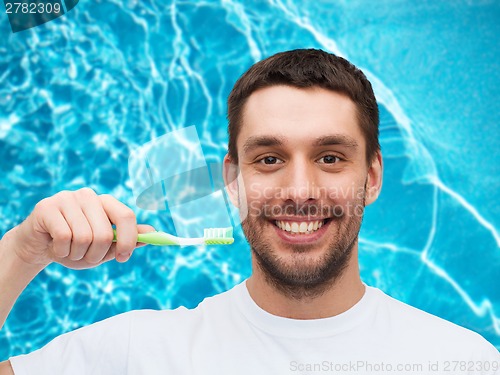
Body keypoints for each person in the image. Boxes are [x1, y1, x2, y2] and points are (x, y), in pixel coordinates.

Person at [0, 49, 498, 375]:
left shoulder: (461, 362)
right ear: (232, 182)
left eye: (329, 157)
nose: (300, 190)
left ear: (371, 177)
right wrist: (22, 252)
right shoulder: (136, 353)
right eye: (269, 159)